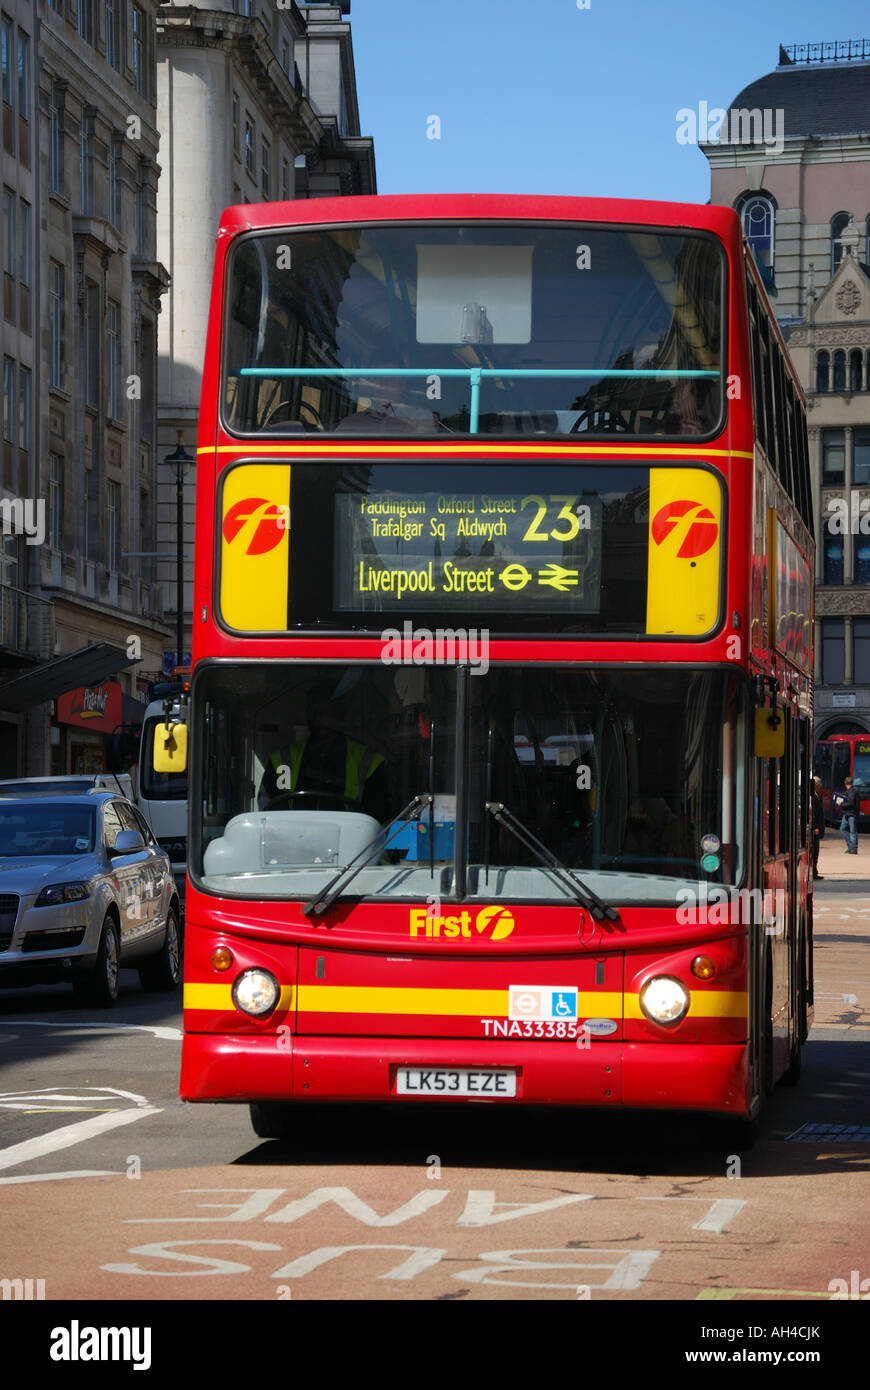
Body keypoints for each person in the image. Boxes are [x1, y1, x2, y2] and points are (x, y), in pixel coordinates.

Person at [258, 683, 389, 821]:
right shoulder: (282, 760)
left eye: (327, 713)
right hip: (293, 839)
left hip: (352, 840)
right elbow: (268, 813)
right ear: (308, 715)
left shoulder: (368, 762)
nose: (321, 720)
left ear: (340, 715)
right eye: (316, 713)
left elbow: (377, 819)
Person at [835, 776, 859, 854]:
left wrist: (842, 803)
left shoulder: (852, 792)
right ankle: (851, 846)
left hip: (851, 814)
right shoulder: (849, 791)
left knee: (852, 831)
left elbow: (851, 803)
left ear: (845, 783)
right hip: (847, 813)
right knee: (843, 829)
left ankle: (853, 849)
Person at [812, 776, 825, 879]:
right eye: (819, 786)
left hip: (817, 829)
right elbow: (813, 814)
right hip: (815, 830)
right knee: (814, 851)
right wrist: (815, 827)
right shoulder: (813, 797)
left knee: (816, 852)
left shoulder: (815, 796)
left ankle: (815, 871)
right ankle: (814, 872)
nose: (820, 788)